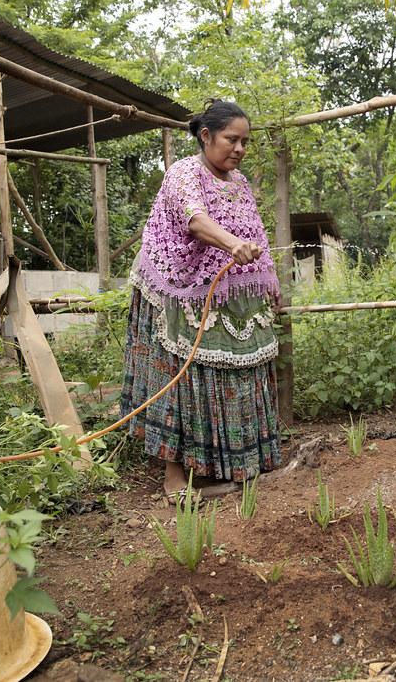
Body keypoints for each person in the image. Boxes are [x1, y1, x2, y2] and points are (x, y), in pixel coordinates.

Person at [121, 99, 282, 501]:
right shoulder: (183, 173)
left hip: (230, 292)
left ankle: (236, 462)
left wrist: (270, 281)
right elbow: (194, 219)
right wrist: (232, 245)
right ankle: (174, 476)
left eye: (245, 142)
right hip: (178, 288)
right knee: (180, 376)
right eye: (232, 139)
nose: (240, 149)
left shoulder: (240, 183)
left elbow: (256, 231)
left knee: (235, 372)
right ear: (206, 136)